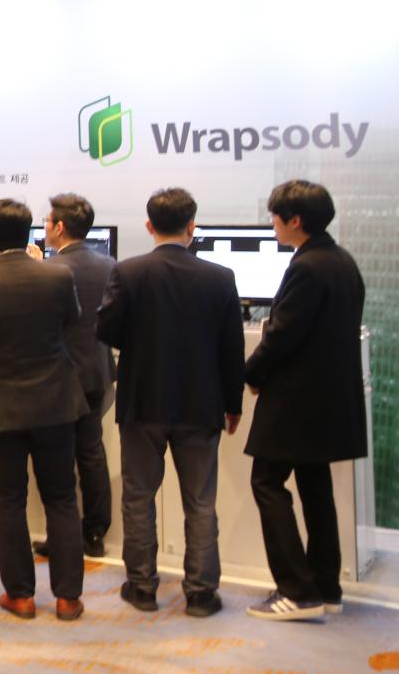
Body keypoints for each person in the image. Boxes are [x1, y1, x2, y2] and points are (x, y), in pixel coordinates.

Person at [96, 187, 243, 617]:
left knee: (138, 497)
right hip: (201, 405)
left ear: (149, 226)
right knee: (201, 501)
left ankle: (142, 587)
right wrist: (233, 403)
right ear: (191, 226)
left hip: (142, 402)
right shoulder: (221, 277)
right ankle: (201, 594)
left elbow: (106, 331)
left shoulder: (129, 271)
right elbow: (232, 348)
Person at [0, 198, 86, 621]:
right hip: (56, 402)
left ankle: (21, 596)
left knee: (9, 501)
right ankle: (68, 598)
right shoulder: (59, 275)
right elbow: (71, 323)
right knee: (62, 498)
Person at [244, 180, 367, 622]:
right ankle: (325, 585)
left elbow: (282, 335)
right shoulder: (341, 260)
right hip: (327, 401)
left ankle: (296, 590)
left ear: (295, 220)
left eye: (275, 217)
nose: (272, 224)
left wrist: (250, 373)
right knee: (315, 488)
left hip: (296, 403)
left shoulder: (307, 267)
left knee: (267, 483)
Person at [39, 192, 118, 560]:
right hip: (96, 372)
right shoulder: (110, 265)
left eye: (47, 222)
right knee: (91, 452)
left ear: (60, 227)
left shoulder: (49, 270)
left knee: (58, 460)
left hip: (58, 376)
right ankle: (95, 533)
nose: (44, 228)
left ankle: (62, 536)